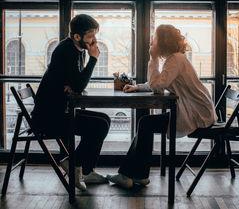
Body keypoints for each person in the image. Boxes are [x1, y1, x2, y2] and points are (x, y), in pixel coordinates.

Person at [107, 24, 217, 188]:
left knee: (146, 123)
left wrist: (153, 59)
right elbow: (159, 82)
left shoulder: (175, 60)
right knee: (146, 123)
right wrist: (138, 87)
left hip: (196, 114)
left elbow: (158, 85)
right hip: (195, 110)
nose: (152, 41)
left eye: (155, 38)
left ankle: (132, 175)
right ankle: (135, 175)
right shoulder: (175, 59)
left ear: (163, 42)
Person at [31, 14, 111, 191]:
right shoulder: (66, 51)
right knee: (98, 126)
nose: (93, 41)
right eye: (90, 36)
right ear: (77, 36)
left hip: (62, 111)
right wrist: (94, 59)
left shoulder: (76, 50)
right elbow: (80, 83)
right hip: (49, 118)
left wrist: (73, 86)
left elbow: (76, 85)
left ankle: (86, 171)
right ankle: (73, 163)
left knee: (105, 120)